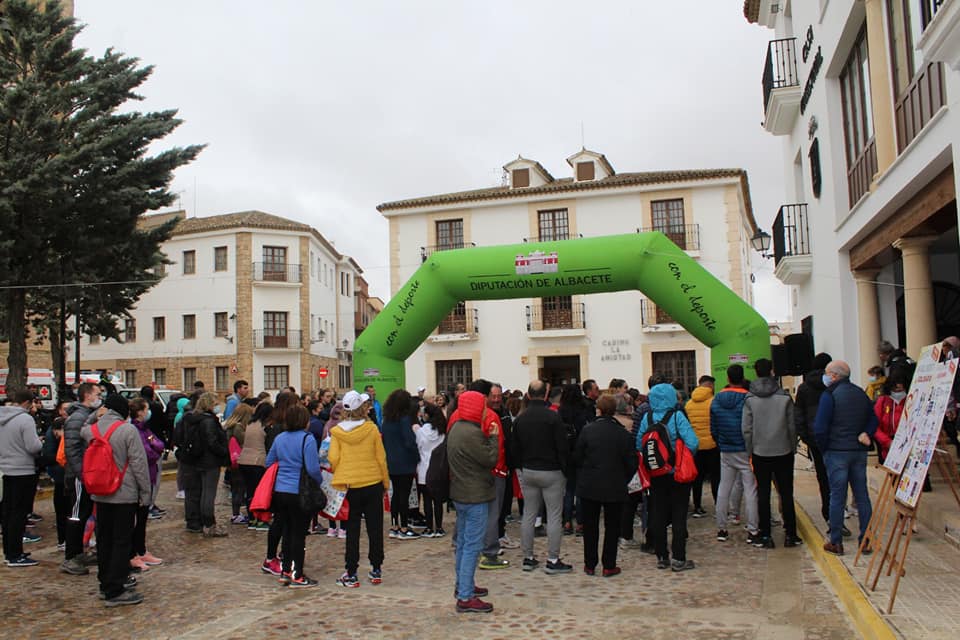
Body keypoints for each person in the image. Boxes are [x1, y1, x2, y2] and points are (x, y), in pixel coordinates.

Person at [82, 394, 151, 606]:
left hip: (100, 492)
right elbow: (139, 464)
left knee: (104, 539)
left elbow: (83, 425)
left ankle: (105, 582)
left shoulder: (92, 430)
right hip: (124, 493)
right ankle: (116, 588)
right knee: (122, 541)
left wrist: (97, 413)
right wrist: (145, 493)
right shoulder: (127, 430)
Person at [814, 360, 879, 555]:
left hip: (836, 451)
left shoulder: (830, 395)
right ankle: (866, 539)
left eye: (827, 373)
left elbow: (820, 427)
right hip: (858, 451)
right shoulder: (860, 393)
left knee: (837, 497)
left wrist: (824, 448)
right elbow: (873, 417)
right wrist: (867, 432)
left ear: (834, 376)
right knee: (862, 496)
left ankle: (836, 541)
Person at [329, 390, 390, 588]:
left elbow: (333, 458)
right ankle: (376, 569)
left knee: (352, 529)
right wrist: (385, 482)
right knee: (375, 528)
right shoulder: (371, 429)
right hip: (372, 481)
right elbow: (381, 457)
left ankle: (351, 571)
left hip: (350, 485)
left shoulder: (337, 432)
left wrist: (343, 470)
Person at [512, 379, 572, 574]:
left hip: (529, 469)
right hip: (552, 470)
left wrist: (520, 467)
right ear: (545, 395)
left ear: (528, 395)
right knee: (554, 516)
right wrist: (565, 469)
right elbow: (562, 446)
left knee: (529, 514)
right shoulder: (552, 417)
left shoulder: (521, 418)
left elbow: (515, 447)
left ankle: (528, 558)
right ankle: (553, 559)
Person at [447, 390, 499, 613]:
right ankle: (466, 597)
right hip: (475, 494)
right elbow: (489, 459)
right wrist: (494, 437)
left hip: (460, 493)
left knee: (463, 544)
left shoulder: (457, 428)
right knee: (472, 546)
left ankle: (463, 585)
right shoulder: (472, 433)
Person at [638, 383, 699, 572]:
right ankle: (679, 558)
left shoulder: (646, 417)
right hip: (676, 473)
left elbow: (639, 443)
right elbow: (693, 442)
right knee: (679, 514)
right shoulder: (676, 416)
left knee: (657, 513)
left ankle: (661, 556)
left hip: (656, 474)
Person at [574, 394, 636, 576]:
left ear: (599, 410)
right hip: (614, 484)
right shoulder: (622, 433)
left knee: (590, 526)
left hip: (590, 484)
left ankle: (590, 563)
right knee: (612, 526)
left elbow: (578, 456)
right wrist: (623, 478)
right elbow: (631, 462)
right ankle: (609, 564)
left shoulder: (588, 431)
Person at [263, 404, 324, 587]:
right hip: (299, 491)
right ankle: (298, 573)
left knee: (287, 532)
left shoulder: (280, 438)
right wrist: (319, 482)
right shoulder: (308, 439)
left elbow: (269, 462)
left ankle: (285, 570)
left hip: (281, 491)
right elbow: (313, 468)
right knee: (299, 534)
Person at [742, 359, 799, 549]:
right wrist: (792, 447)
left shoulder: (750, 400)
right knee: (786, 493)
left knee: (763, 494)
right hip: (783, 450)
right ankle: (791, 534)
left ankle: (766, 534)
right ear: (772, 371)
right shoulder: (784, 398)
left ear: (756, 373)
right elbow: (792, 426)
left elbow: (746, 429)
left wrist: (750, 450)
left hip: (760, 451)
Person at [794, 352, 843, 536]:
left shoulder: (804, 388)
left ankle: (828, 513)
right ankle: (837, 513)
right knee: (837, 477)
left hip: (815, 439)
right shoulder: (834, 385)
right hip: (835, 438)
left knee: (823, 477)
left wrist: (806, 437)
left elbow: (798, 415)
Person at [711, 365, 760, 545]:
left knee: (724, 488)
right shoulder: (748, 398)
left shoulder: (717, 399)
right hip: (745, 449)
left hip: (726, 448)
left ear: (728, 377)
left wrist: (721, 442)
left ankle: (722, 528)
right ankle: (753, 529)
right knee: (750, 489)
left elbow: (713, 426)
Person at [60, 382, 101, 575]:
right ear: (87, 395)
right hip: (80, 476)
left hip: (88, 474)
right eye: (97, 394)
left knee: (84, 514)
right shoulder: (77, 418)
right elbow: (73, 450)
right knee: (77, 516)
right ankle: (72, 556)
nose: (99, 397)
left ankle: (79, 552)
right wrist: (82, 474)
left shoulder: (86, 416)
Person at [0, 390, 44, 567]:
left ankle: (10, 552)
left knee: (8, 513)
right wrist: (41, 442)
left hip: (6, 469)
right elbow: (32, 446)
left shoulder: (3, 417)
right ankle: (15, 554)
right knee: (19, 514)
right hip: (23, 470)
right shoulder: (25, 419)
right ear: (27, 402)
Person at [182, 392, 230, 537]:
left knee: (201, 493)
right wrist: (223, 451)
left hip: (197, 460)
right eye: (215, 404)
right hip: (209, 461)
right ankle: (209, 525)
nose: (217, 407)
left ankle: (202, 522)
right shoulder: (208, 421)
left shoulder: (192, 418)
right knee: (208, 494)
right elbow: (212, 441)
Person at [128, 398, 165, 571]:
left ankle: (141, 549)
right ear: (141, 411)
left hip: (149, 475)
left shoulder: (145, 429)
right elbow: (147, 452)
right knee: (136, 517)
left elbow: (158, 444)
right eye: (147, 409)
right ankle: (134, 552)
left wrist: (155, 446)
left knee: (143, 517)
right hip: (139, 478)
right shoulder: (134, 429)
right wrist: (154, 447)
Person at [381, 389, 421, 540]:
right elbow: (409, 441)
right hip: (405, 461)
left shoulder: (387, 420)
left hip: (391, 461)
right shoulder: (404, 419)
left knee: (396, 495)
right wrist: (416, 456)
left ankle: (395, 525)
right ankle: (404, 527)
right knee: (404, 495)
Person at [686, 375, 717, 518]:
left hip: (696, 446)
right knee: (716, 477)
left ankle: (697, 506)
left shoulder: (689, 404)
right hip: (712, 444)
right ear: (710, 385)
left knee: (697, 478)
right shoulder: (714, 402)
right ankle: (719, 505)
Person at [414, 403, 447, 537]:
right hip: (438, 469)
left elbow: (418, 446)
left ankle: (429, 527)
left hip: (423, 468)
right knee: (438, 501)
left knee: (427, 500)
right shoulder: (442, 431)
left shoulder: (422, 431)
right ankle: (439, 527)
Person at [241, 402, 272, 534]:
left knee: (250, 491)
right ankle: (260, 519)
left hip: (244, 460)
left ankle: (252, 519)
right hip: (257, 461)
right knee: (260, 493)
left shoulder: (250, 424)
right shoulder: (265, 427)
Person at [223, 403, 253, 525]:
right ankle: (236, 515)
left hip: (232, 462)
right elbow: (245, 442)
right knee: (239, 489)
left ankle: (235, 513)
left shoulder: (229, 426)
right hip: (240, 461)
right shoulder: (238, 428)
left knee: (236, 488)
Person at [873, 376, 908, 464]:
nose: (898, 393)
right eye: (895, 390)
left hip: (908, 442)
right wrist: (887, 442)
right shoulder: (883, 401)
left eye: (901, 390)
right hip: (889, 443)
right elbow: (875, 426)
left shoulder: (910, 400)